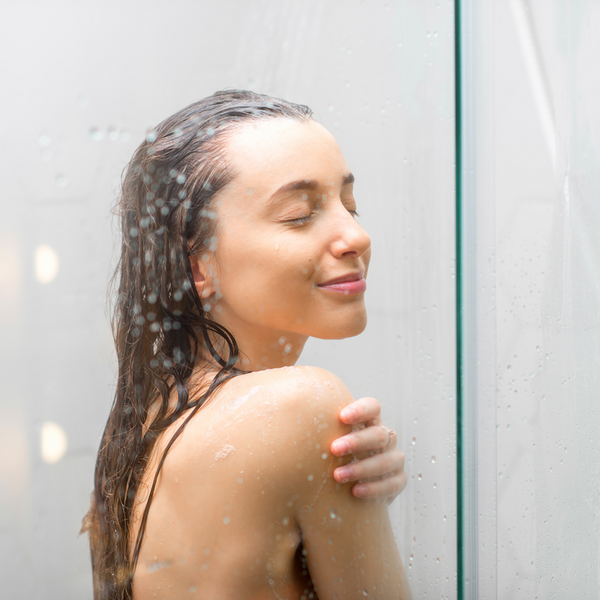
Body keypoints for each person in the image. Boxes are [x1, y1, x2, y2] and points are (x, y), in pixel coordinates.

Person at [83, 89, 411, 600]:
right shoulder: (298, 406)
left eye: (350, 205)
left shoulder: (148, 425)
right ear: (199, 266)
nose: (356, 235)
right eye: (300, 214)